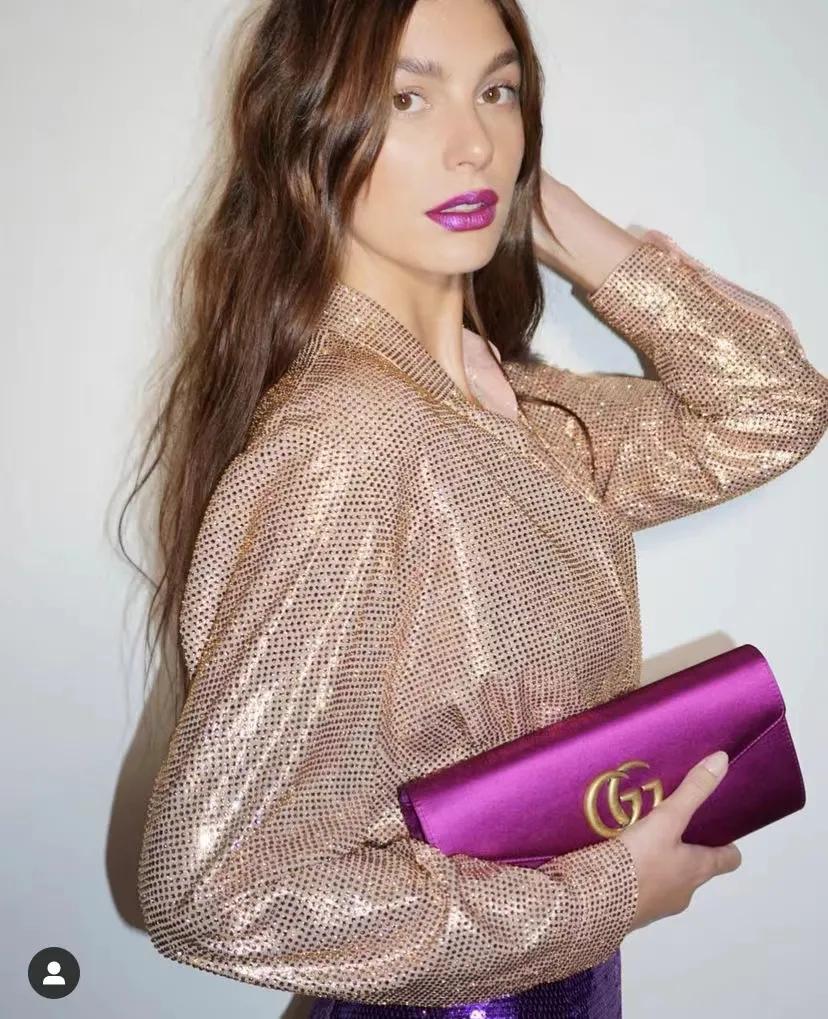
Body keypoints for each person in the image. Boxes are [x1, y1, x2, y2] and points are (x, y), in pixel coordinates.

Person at [128, 0, 828, 1016]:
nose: (474, 144)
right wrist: (606, 895)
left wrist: (557, 220)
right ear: (312, 133)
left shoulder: (520, 412)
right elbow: (211, 891)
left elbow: (773, 407)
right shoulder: (350, 436)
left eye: (498, 92)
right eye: (407, 99)